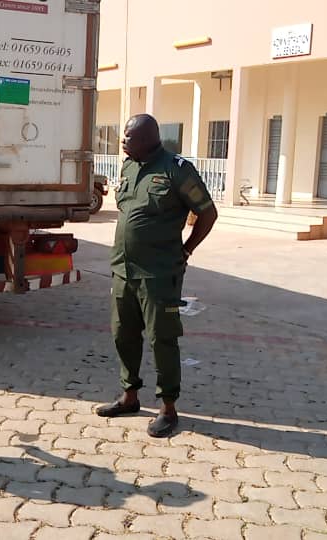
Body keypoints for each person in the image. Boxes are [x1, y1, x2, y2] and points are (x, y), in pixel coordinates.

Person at [97, 114, 219, 438]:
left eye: (128, 136)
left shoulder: (177, 170)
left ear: (149, 138)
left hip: (159, 273)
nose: (122, 141)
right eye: (123, 135)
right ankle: (129, 396)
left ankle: (168, 407)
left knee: (161, 338)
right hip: (124, 268)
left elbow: (208, 212)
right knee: (123, 333)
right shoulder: (128, 166)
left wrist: (187, 249)